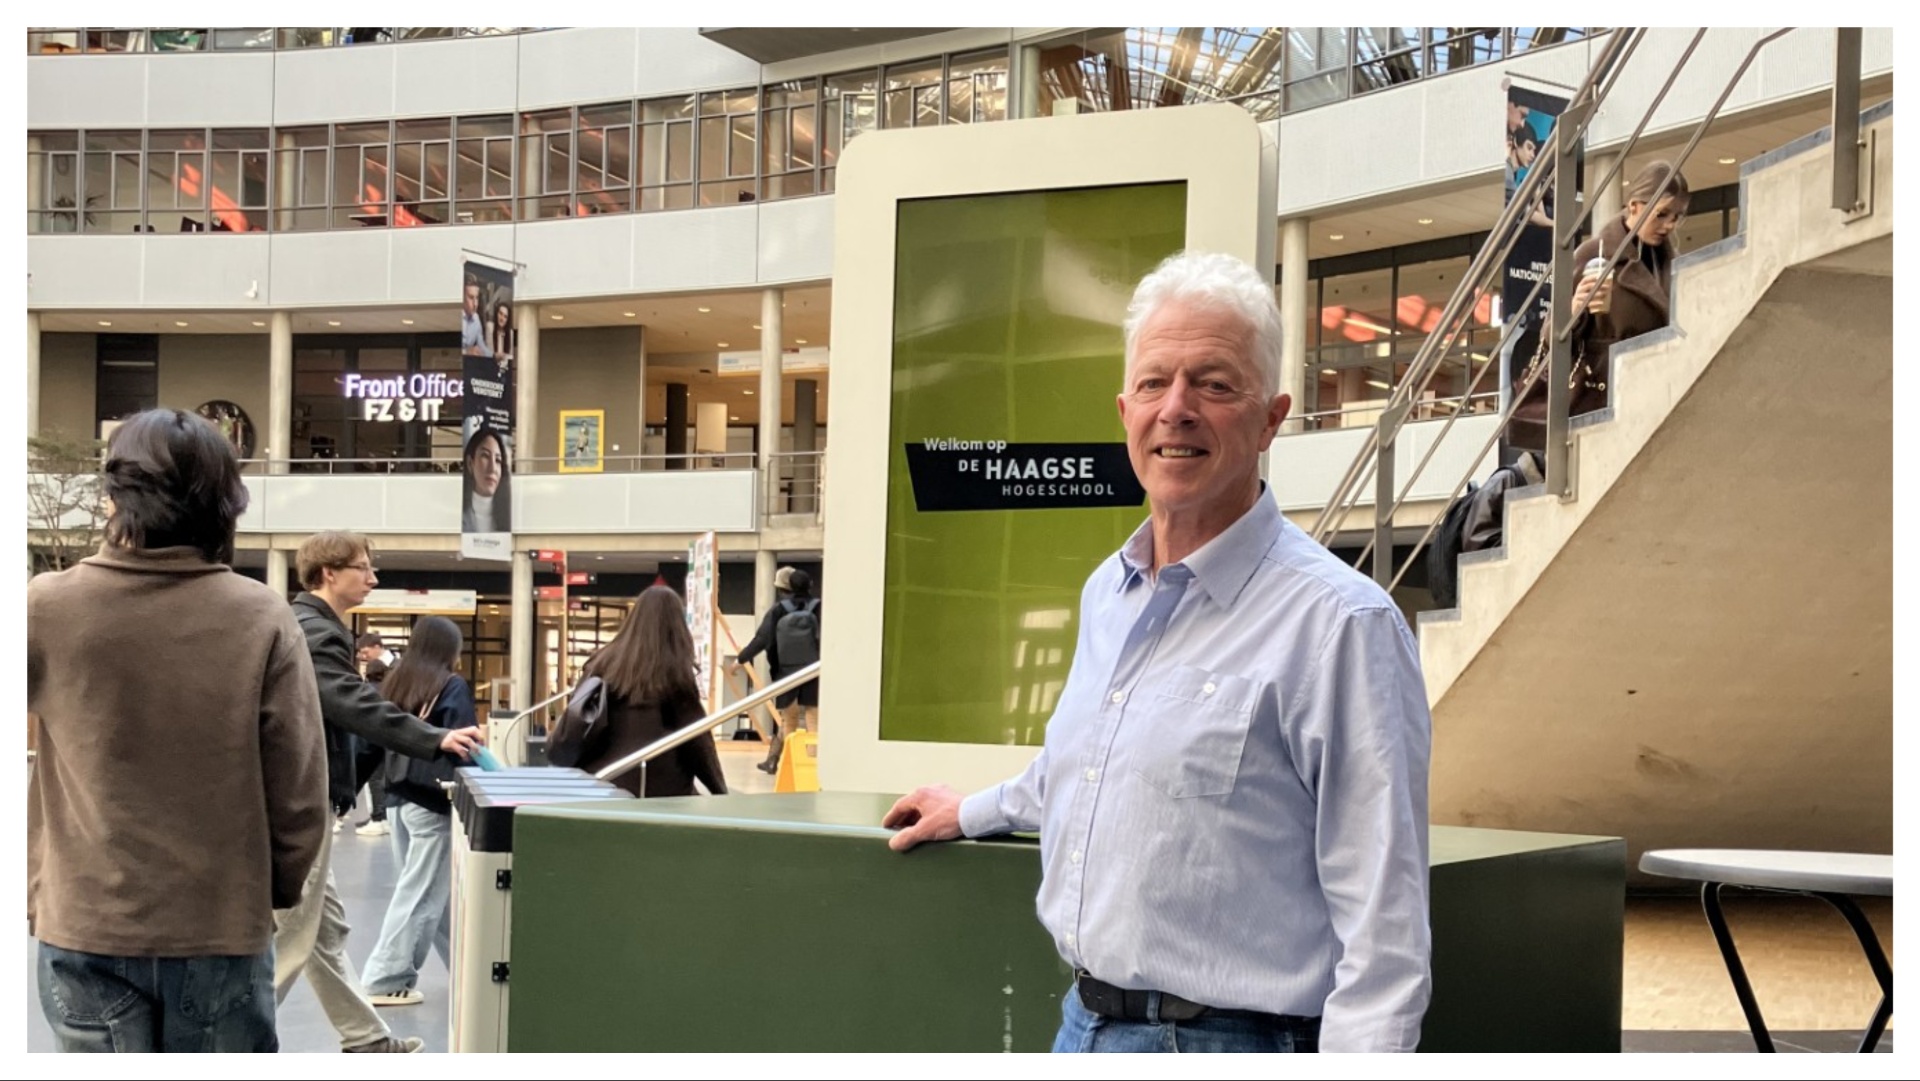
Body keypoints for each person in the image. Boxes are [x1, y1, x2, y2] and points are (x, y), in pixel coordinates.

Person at [882, 251, 1433, 1053]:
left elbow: (1385, 934)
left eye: (1214, 383)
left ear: (1271, 418)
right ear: (1125, 411)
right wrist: (969, 810)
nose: (1176, 409)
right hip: (1081, 1026)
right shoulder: (1109, 593)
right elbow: (1089, 767)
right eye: (1153, 383)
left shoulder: (1342, 625)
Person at [28, 408, 330, 1052]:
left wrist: (37, 883)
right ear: (225, 504)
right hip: (220, 927)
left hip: (85, 919)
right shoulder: (261, 617)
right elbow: (300, 790)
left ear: (115, 495)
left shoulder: (45, 607)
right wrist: (269, 891)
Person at [276, 530, 487, 1052]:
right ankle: (230, 1042)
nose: (373, 578)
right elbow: (353, 706)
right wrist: (435, 738)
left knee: (322, 933)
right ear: (329, 573)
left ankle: (366, 1038)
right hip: (301, 801)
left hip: (309, 798)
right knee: (291, 936)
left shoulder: (311, 625)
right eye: (363, 568)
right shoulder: (315, 632)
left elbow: (355, 721)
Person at [1511, 161, 1690, 455]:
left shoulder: (1672, 262)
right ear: (1634, 206)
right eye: (1661, 214)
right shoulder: (1594, 254)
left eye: (1677, 217)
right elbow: (1550, 334)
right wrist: (1575, 310)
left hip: (1654, 392)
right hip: (1601, 398)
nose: (1669, 225)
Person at [360, 616, 472, 1006]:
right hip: (432, 800)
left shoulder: (395, 683)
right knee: (421, 894)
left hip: (398, 797)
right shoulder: (451, 685)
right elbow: (464, 744)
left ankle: (469, 969)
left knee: (431, 892)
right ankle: (385, 977)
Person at [575, 586, 730, 798]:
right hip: (654, 783)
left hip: (598, 778)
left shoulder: (601, 661)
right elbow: (696, 738)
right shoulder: (673, 670)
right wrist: (719, 790)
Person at [733, 567, 820, 774]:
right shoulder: (819, 608)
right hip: (814, 671)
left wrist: (740, 660)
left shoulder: (779, 610)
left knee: (789, 721)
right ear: (810, 585)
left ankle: (791, 766)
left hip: (786, 673)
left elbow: (762, 639)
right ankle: (811, 766)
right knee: (813, 721)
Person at [349, 632, 397, 837]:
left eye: (365, 651)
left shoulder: (398, 669)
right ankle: (380, 815)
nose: (363, 656)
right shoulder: (374, 677)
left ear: (377, 647)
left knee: (378, 777)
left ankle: (380, 816)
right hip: (383, 733)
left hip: (384, 732)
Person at [461, 426, 511, 533]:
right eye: (485, 456)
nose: (492, 468)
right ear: (470, 463)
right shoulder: (458, 514)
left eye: (498, 460)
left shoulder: (509, 517)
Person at [460, 274, 491, 358]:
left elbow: (482, 347)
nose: (475, 304)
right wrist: (467, 352)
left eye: (476, 298)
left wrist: (494, 356)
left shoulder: (476, 318)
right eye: (471, 297)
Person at [488, 299, 514, 370]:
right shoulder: (490, 327)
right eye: (500, 314)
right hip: (490, 367)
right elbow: (488, 352)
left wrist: (503, 356)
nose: (502, 318)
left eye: (505, 316)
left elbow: (511, 356)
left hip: (503, 368)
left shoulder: (510, 333)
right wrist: (496, 356)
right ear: (496, 314)